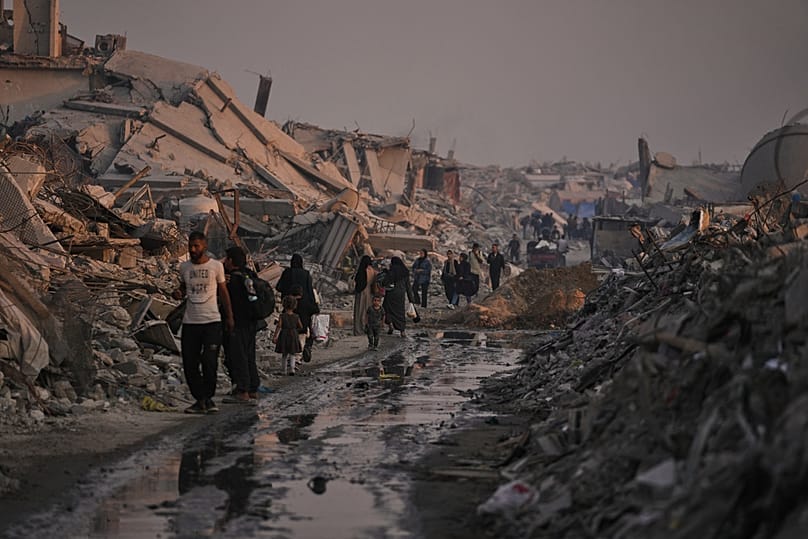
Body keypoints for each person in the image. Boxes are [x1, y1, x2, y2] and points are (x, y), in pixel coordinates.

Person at [173, 231, 234, 414]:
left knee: (209, 362)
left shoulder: (216, 266)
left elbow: (223, 292)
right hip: (190, 322)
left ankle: (208, 398)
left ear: (204, 246)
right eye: (190, 246)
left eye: (196, 246)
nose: (192, 249)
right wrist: (177, 293)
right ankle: (200, 399)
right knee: (190, 364)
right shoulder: (184, 267)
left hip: (211, 321)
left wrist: (230, 316)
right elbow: (183, 288)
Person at [221, 246, 259, 405]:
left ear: (231, 261)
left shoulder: (232, 280)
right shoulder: (250, 274)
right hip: (251, 322)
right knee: (249, 355)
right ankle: (252, 389)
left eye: (226, 259)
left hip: (237, 322)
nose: (224, 261)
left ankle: (242, 391)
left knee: (237, 356)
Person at [276, 253, 317, 360]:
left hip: (289, 304)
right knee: (303, 328)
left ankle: (290, 355)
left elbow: (279, 287)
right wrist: (314, 307)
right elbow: (310, 291)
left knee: (289, 328)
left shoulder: (287, 273)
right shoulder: (306, 274)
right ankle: (301, 350)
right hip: (304, 306)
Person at [381, 256, 414, 337]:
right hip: (400, 295)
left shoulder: (391, 271)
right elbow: (408, 287)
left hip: (391, 294)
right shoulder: (405, 272)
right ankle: (402, 331)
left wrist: (385, 273)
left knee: (387, 309)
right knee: (400, 312)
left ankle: (390, 325)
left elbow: (384, 283)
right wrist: (411, 299)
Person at [273, 295, 303, 375]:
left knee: (284, 353)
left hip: (284, 335)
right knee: (292, 353)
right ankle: (292, 369)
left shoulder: (282, 316)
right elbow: (300, 326)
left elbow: (279, 326)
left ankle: (284, 370)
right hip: (293, 335)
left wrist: (275, 336)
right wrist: (295, 330)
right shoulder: (296, 316)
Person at [290, 284, 319, 363]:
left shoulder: (290, 302)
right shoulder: (306, 302)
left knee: (292, 344)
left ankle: (292, 359)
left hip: (291, 327)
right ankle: (298, 358)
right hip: (304, 327)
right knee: (301, 342)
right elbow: (316, 310)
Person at [352, 255, 377, 336]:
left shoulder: (362, 270)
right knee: (367, 312)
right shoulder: (372, 271)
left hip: (361, 293)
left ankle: (358, 330)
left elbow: (357, 281)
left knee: (359, 311)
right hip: (369, 293)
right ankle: (367, 328)